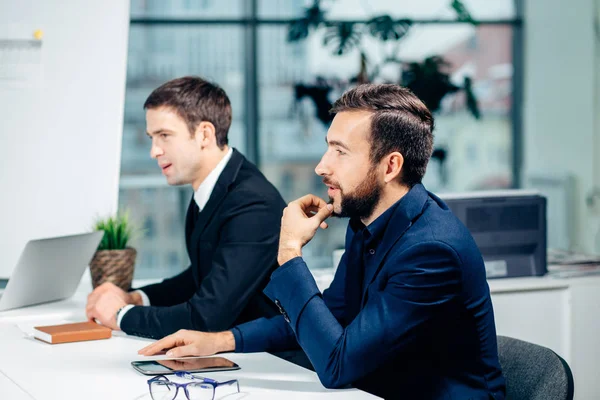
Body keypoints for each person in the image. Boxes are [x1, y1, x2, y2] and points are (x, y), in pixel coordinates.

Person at [138, 83, 506, 399]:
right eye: (328, 147)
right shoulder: (369, 224)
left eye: (340, 152)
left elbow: (337, 364)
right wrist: (220, 340)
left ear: (390, 166)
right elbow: (329, 317)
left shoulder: (431, 251)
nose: (321, 166)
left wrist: (290, 253)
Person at [86, 76, 286, 339]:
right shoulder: (213, 188)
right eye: (151, 138)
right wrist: (136, 297)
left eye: (164, 136)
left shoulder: (252, 203)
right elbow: (200, 277)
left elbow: (206, 317)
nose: (154, 151)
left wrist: (121, 315)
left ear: (204, 134)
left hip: (270, 363)